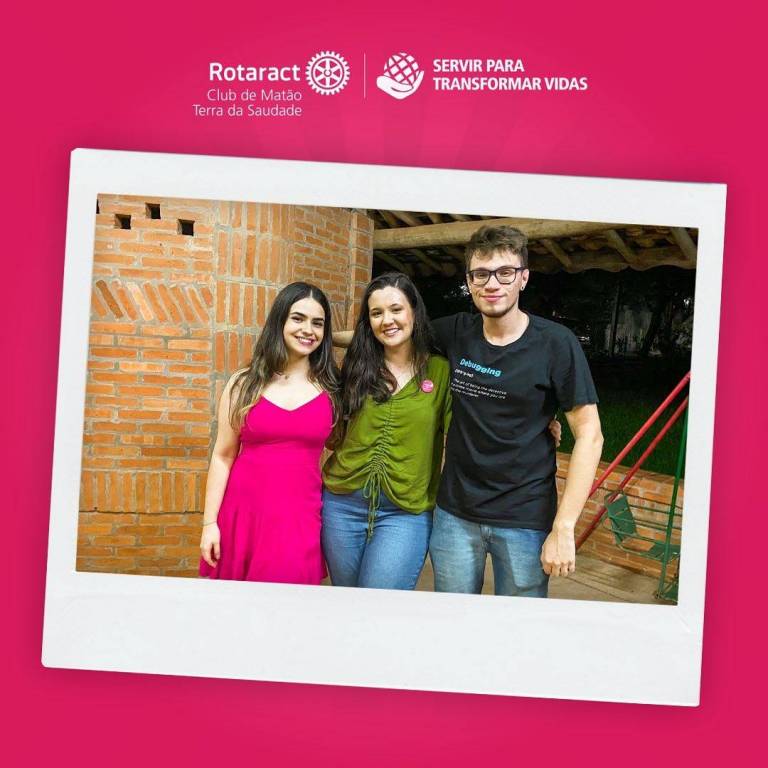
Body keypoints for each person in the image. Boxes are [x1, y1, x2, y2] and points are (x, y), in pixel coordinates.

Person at [428, 225, 603, 597]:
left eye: (505, 272)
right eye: (481, 274)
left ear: (523, 278)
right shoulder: (455, 332)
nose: (492, 284)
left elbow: (590, 434)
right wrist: (320, 340)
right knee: (452, 623)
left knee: (519, 626)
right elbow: (389, 334)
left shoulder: (556, 344)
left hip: (526, 518)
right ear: (469, 282)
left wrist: (564, 527)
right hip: (455, 514)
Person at [199, 282, 339, 584]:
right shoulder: (244, 383)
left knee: (288, 605)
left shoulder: (332, 388)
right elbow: (222, 456)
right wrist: (210, 523)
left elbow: (371, 340)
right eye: (298, 318)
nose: (308, 330)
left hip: (299, 519)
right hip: (243, 516)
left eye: (318, 323)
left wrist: (336, 338)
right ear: (280, 321)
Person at [321, 273, 451, 590]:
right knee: (346, 601)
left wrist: (534, 420)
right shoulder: (356, 365)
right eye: (376, 313)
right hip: (342, 504)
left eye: (396, 309)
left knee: (378, 604)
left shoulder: (440, 370)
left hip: (405, 511)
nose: (387, 320)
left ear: (414, 312)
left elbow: (470, 425)